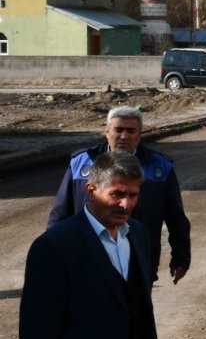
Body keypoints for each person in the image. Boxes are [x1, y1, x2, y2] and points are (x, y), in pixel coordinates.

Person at [21, 151, 162, 339]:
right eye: (116, 194)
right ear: (91, 191)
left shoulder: (139, 234)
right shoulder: (54, 246)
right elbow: (38, 333)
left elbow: (140, 312)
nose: (125, 204)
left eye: (133, 195)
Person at [47, 105, 191, 284]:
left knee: (134, 311)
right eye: (118, 130)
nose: (124, 136)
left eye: (131, 131)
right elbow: (61, 213)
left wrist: (181, 257)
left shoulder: (159, 167)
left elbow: (176, 217)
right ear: (107, 131)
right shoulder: (81, 163)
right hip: (86, 258)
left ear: (139, 135)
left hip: (138, 260)